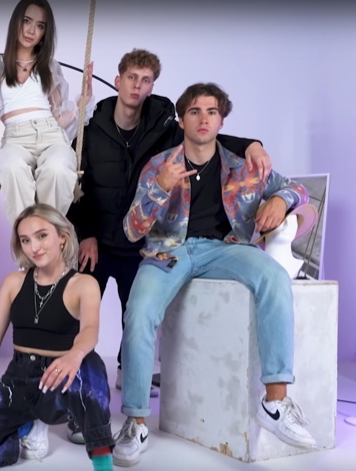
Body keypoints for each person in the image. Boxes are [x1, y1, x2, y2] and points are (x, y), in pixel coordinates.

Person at [65, 48, 272, 444]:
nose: (137, 86)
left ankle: (131, 382)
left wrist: (252, 144)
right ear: (118, 80)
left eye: (145, 80)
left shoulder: (163, 120)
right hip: (98, 240)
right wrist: (85, 232)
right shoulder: (91, 127)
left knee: (137, 317)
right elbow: (76, 182)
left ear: (152, 86)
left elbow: (206, 136)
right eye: (131, 78)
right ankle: (80, 400)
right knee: (80, 320)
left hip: (141, 242)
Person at [111, 82, 316, 467]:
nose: (203, 119)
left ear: (222, 120)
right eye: (194, 112)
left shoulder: (244, 166)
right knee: (139, 312)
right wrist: (160, 189)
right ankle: (136, 422)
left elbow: (299, 192)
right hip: (167, 252)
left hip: (225, 248)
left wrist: (278, 198)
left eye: (211, 112)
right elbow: (132, 230)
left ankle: (275, 403)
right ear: (181, 120)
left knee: (273, 277)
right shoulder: (159, 165)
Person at [0, 204, 115, 471]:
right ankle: (15, 438)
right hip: (17, 383)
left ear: (62, 237)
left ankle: (103, 462)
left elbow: (90, 330)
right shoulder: (13, 283)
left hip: (59, 381)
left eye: (42, 236)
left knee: (90, 363)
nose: (34, 247)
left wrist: (74, 355)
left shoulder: (83, 284)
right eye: (25, 240)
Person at [0, 0, 94, 225]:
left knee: (58, 169)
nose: (31, 30)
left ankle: (47, 233)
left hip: (51, 134)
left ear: (45, 33)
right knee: (11, 167)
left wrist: (83, 100)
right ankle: (27, 239)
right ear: (16, 22)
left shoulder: (50, 67)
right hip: (16, 138)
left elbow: (60, 118)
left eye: (40, 25)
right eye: (26, 21)